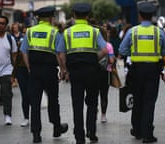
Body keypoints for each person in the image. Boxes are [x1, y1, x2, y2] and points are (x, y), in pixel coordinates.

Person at [118, 2, 165, 143]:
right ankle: (147, 134)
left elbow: (122, 50)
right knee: (149, 101)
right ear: (153, 16)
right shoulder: (158, 32)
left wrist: (134, 53)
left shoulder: (132, 31)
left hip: (136, 70)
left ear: (140, 16)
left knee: (138, 99)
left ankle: (137, 130)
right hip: (153, 70)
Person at [58, 3, 108, 144]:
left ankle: (79, 136)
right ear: (88, 16)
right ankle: (91, 132)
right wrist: (93, 58)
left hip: (75, 72)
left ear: (74, 15)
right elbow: (105, 50)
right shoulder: (94, 31)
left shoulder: (67, 32)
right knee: (92, 102)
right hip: (92, 71)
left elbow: (61, 54)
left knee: (77, 103)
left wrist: (64, 70)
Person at [20, 6, 68, 143]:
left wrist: (29, 67)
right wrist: (63, 70)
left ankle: (36, 134)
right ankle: (56, 128)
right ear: (50, 18)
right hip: (50, 70)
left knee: (34, 102)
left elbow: (24, 51)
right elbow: (59, 54)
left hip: (35, 70)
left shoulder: (30, 31)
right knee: (53, 99)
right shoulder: (55, 32)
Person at [10, 22, 30, 127]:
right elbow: (16, 60)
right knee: (25, 95)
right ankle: (26, 117)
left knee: (32, 95)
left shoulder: (35, 44)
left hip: (32, 71)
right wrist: (13, 75)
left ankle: (33, 116)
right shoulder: (20, 44)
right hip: (22, 71)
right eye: (24, 33)